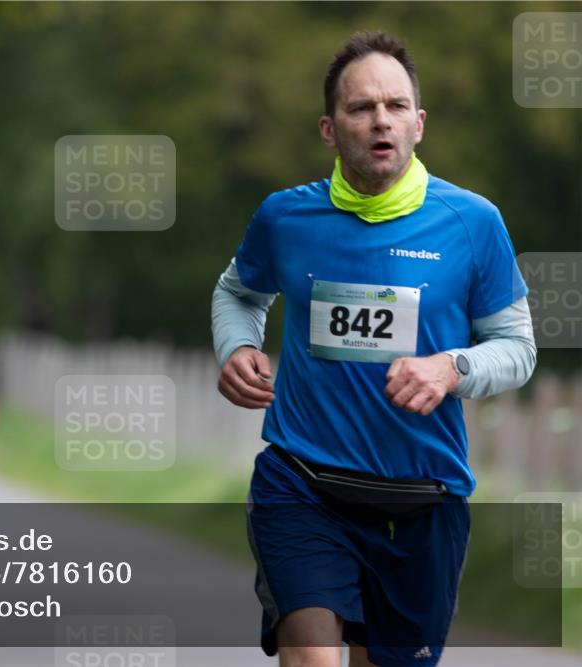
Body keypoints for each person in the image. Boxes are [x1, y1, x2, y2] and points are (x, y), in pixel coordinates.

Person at [211, 32, 536, 667]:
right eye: (361, 108)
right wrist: (236, 345)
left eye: (394, 106)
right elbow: (237, 293)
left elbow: (517, 347)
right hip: (302, 484)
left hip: (423, 500)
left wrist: (453, 366)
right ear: (330, 130)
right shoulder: (284, 218)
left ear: (419, 124)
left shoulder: (473, 223)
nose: (379, 120)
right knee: (311, 659)